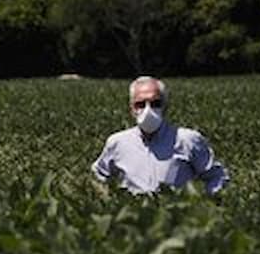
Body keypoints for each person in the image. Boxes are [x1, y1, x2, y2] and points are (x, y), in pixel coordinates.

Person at [92, 76, 228, 195]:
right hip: (134, 217)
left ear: (165, 107)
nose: (148, 110)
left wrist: (203, 203)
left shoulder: (188, 140)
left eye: (155, 103)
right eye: (140, 104)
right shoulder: (117, 142)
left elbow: (217, 176)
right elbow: (99, 175)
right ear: (132, 109)